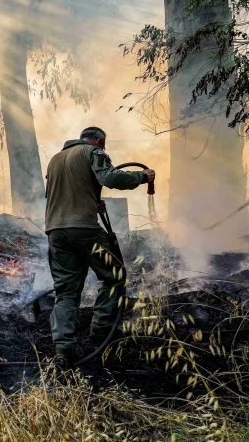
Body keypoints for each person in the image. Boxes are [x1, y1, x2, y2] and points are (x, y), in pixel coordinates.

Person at [44, 127, 155, 367]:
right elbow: (110, 178)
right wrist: (143, 176)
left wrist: (93, 202)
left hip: (55, 232)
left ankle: (63, 350)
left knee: (66, 293)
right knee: (114, 276)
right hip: (84, 230)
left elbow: (64, 193)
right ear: (100, 141)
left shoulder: (55, 159)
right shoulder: (93, 151)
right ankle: (101, 333)